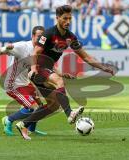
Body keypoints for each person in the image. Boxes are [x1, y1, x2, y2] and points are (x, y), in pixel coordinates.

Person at [16, 5, 116, 140]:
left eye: (70, 18)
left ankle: (23, 124)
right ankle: (70, 114)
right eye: (64, 18)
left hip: (47, 70)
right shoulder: (48, 34)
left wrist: (102, 67)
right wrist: (33, 69)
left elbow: (86, 57)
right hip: (38, 68)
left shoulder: (70, 37)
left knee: (53, 105)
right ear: (57, 18)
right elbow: (35, 52)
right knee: (59, 81)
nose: (68, 21)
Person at [0, 26, 48, 136]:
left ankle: (31, 129)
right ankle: (8, 120)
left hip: (25, 82)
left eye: (42, 37)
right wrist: (5, 49)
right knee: (33, 108)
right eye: (38, 36)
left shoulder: (40, 50)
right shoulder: (23, 46)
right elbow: (0, 51)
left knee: (40, 106)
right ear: (32, 36)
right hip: (12, 84)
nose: (40, 39)